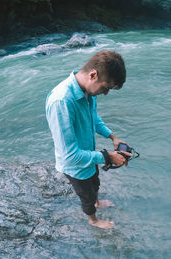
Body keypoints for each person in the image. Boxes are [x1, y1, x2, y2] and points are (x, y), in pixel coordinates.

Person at [45, 50, 131, 229]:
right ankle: (93, 220)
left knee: (95, 182)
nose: (106, 93)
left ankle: (97, 202)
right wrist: (107, 157)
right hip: (75, 166)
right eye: (106, 87)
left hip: (89, 155)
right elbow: (70, 156)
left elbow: (94, 119)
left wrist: (112, 137)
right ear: (93, 75)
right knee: (86, 196)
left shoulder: (88, 92)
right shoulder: (61, 102)